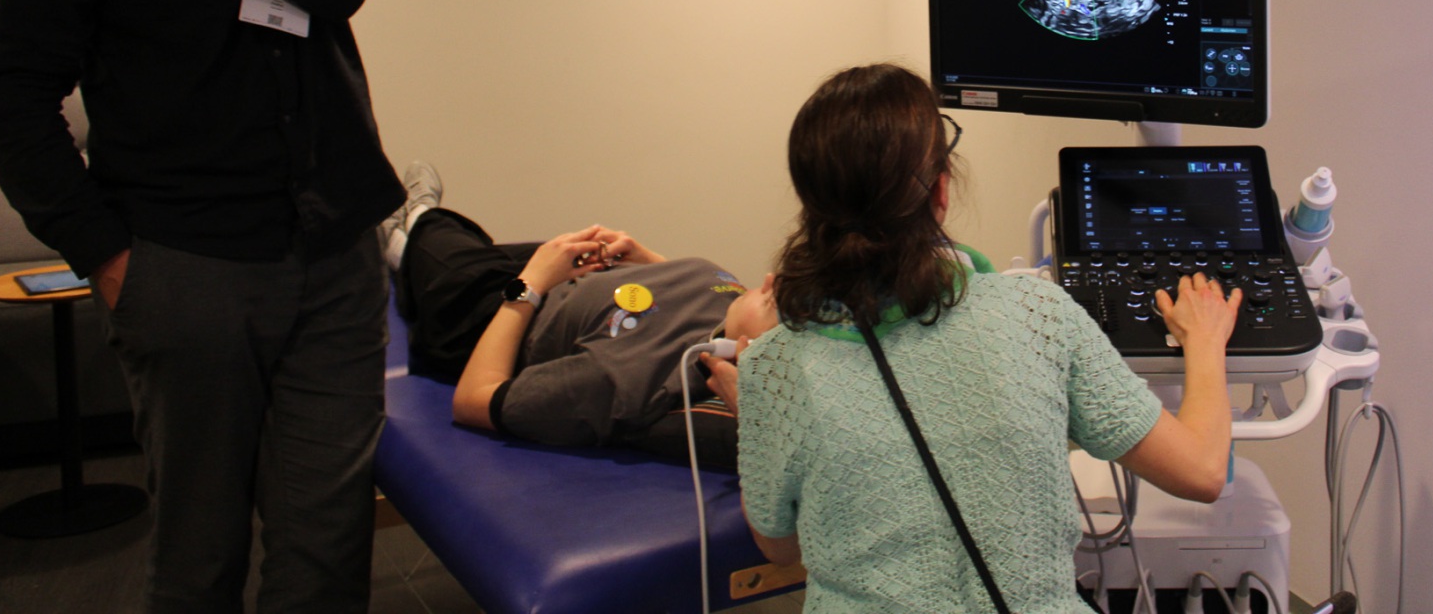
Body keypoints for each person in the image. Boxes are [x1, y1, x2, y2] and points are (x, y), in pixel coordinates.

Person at [0, 0, 405, 612]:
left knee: (328, 550)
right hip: (187, 268)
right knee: (199, 552)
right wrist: (106, 255)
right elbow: (13, 95)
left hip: (338, 255)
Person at [721, 63, 1241, 614]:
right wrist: (1205, 342)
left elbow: (780, 548)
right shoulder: (1037, 313)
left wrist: (760, 413)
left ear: (811, 206)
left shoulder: (772, 368)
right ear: (941, 190)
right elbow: (1202, 471)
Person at [379, 165, 778, 468]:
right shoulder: (736, 310)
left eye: (781, 306)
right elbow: (680, 312)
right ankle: (409, 241)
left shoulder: (622, 377)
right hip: (570, 280)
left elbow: (472, 401)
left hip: (498, 314)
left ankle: (410, 222)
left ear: (753, 355)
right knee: (472, 248)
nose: (772, 283)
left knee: (443, 246)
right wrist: (647, 262)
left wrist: (531, 283)